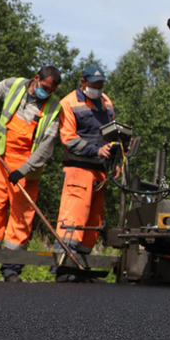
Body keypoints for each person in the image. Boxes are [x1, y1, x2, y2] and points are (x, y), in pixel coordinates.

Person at [0, 66, 63, 282]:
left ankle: (11, 271)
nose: (47, 93)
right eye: (45, 88)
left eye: (52, 90)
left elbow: (46, 148)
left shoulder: (54, 108)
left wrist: (22, 170)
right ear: (36, 78)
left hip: (26, 170)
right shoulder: (13, 85)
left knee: (21, 219)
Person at [55, 64, 117, 282]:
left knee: (94, 221)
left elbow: (112, 135)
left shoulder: (106, 102)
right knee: (73, 219)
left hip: (100, 171)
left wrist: (116, 161)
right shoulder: (68, 103)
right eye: (93, 85)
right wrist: (96, 150)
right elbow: (69, 139)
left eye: (100, 85)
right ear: (83, 82)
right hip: (78, 169)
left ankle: (81, 268)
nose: (97, 89)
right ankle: (63, 270)